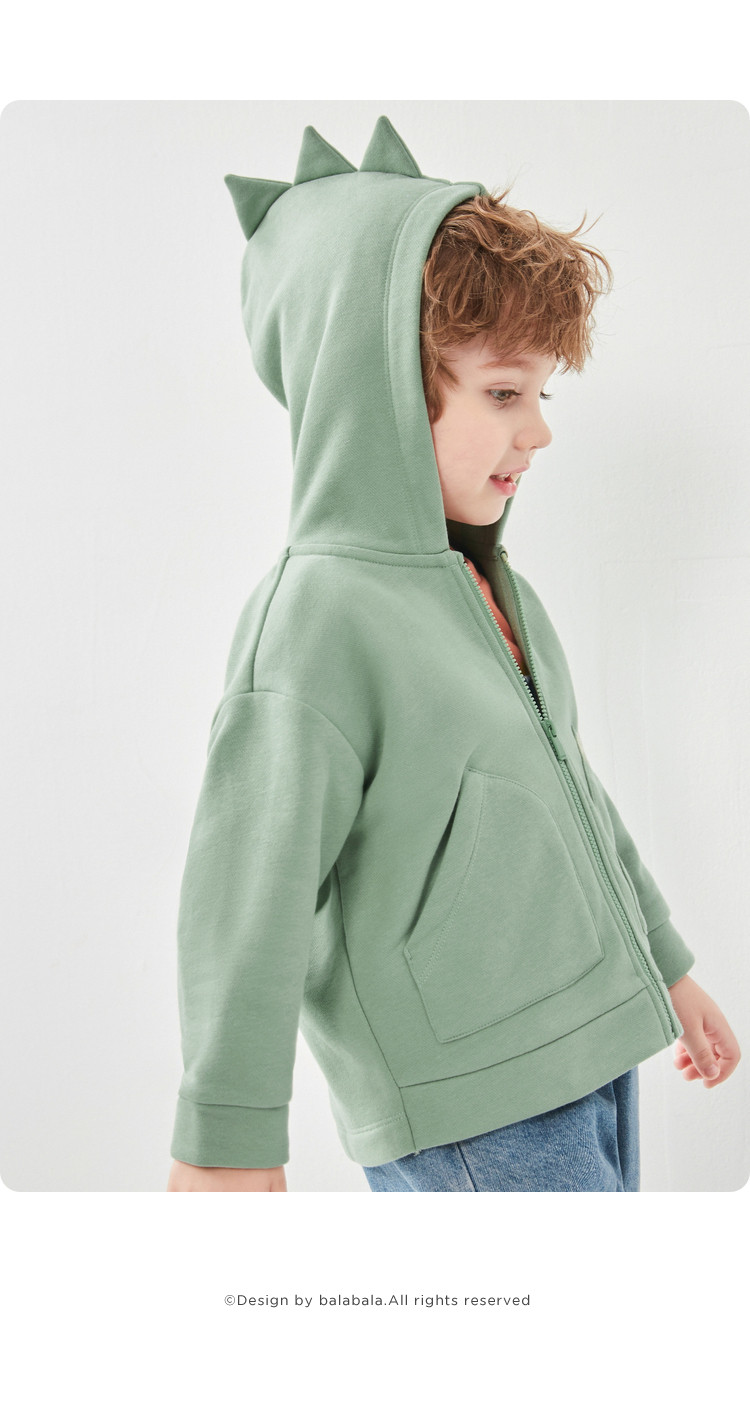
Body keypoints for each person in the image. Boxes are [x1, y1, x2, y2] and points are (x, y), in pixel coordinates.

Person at [167, 115, 740, 1194]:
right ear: (374, 387)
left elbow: (573, 796)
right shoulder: (319, 617)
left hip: (590, 1050)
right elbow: (248, 891)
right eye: (504, 393)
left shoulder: (491, 587)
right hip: (477, 1108)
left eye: (543, 394)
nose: (539, 431)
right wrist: (224, 1138)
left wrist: (665, 966)